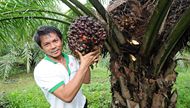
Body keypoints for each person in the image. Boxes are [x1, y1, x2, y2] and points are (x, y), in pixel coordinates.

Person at [33, 26, 100, 108]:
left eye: (55, 41)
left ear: (61, 40)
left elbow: (86, 80)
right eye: (47, 44)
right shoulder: (42, 69)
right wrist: (84, 65)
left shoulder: (72, 59)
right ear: (42, 48)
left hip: (82, 104)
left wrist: (85, 55)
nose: (53, 46)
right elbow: (67, 96)